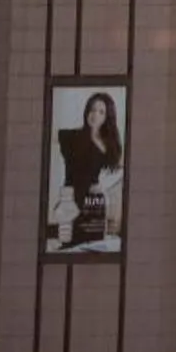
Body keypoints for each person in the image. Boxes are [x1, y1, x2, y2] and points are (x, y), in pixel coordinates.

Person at [52, 91, 125, 249]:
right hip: (72, 199)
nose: (95, 114)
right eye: (92, 109)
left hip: (94, 203)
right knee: (69, 244)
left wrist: (103, 186)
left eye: (101, 112)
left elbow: (122, 169)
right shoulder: (72, 136)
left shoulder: (109, 144)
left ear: (107, 117)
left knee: (92, 245)